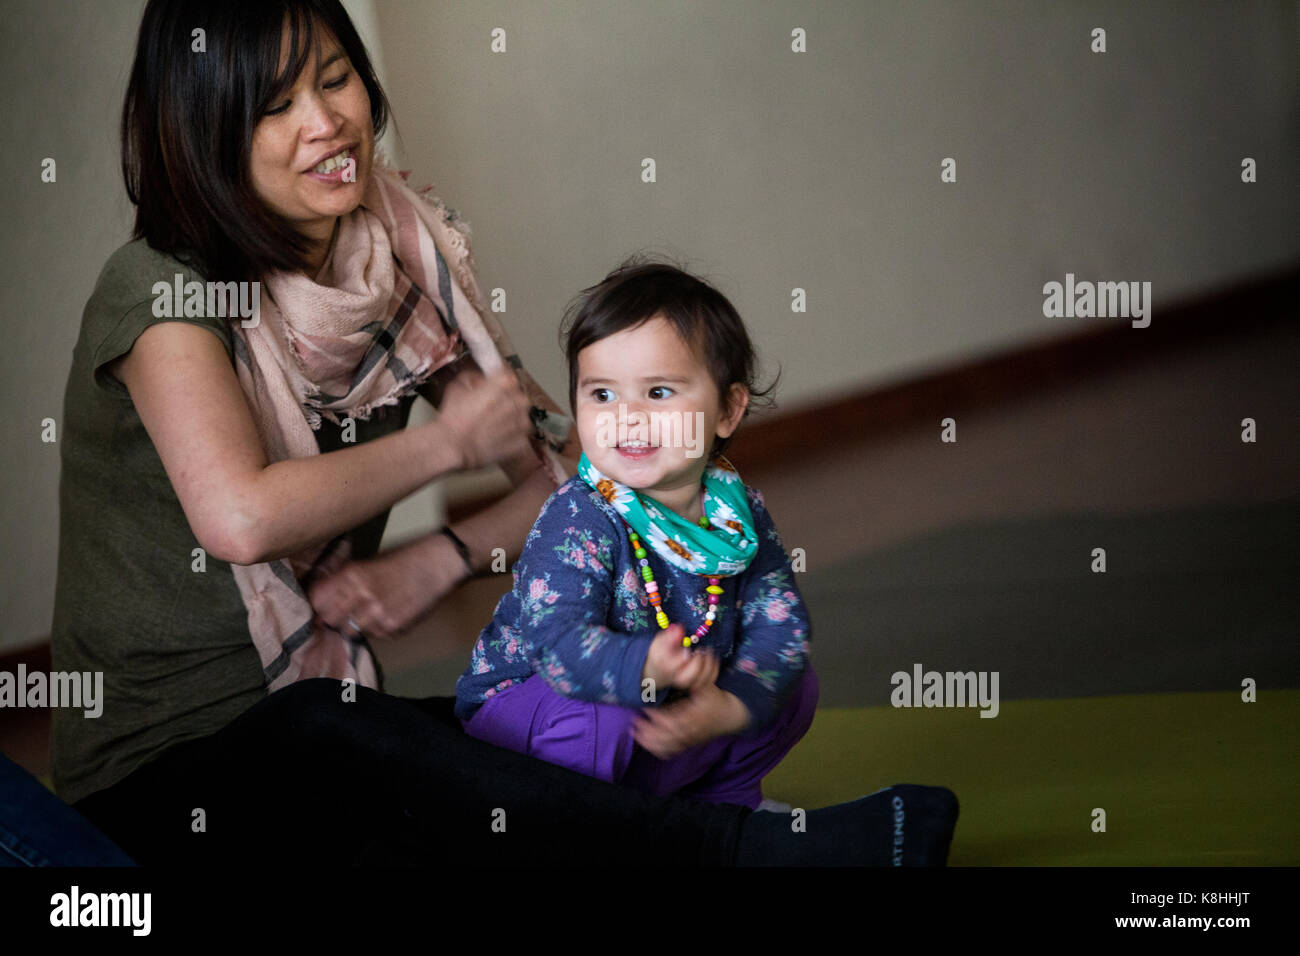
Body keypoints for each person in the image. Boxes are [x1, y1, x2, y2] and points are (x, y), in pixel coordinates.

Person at [49, 0, 958, 867]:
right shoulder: (161, 291)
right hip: (162, 788)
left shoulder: (395, 254)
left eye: (335, 80)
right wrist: (447, 448)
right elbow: (239, 518)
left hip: (329, 727)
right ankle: (744, 855)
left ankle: (708, 827)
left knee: (526, 731)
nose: (326, 122)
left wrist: (441, 554)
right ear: (205, 133)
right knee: (341, 736)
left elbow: (567, 469)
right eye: (277, 106)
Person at [456, 260, 819, 811]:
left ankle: (720, 809)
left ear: (727, 409)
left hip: (662, 711)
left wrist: (735, 704)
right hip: (533, 717)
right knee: (600, 716)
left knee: (789, 682)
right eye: (602, 395)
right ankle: (590, 827)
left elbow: (780, 621)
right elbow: (555, 644)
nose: (626, 417)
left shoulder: (736, 514)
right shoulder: (581, 516)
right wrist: (641, 667)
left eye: (658, 392)